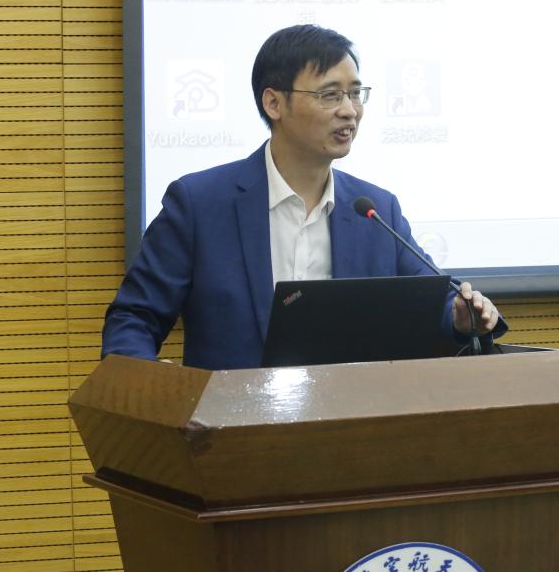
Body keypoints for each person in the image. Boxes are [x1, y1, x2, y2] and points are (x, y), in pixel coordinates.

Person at [102, 24, 506, 369]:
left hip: (347, 423)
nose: (349, 111)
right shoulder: (199, 204)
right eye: (330, 94)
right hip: (231, 426)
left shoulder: (375, 210)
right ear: (274, 103)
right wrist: (149, 386)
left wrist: (460, 318)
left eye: (355, 94)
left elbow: (433, 297)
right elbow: (134, 318)